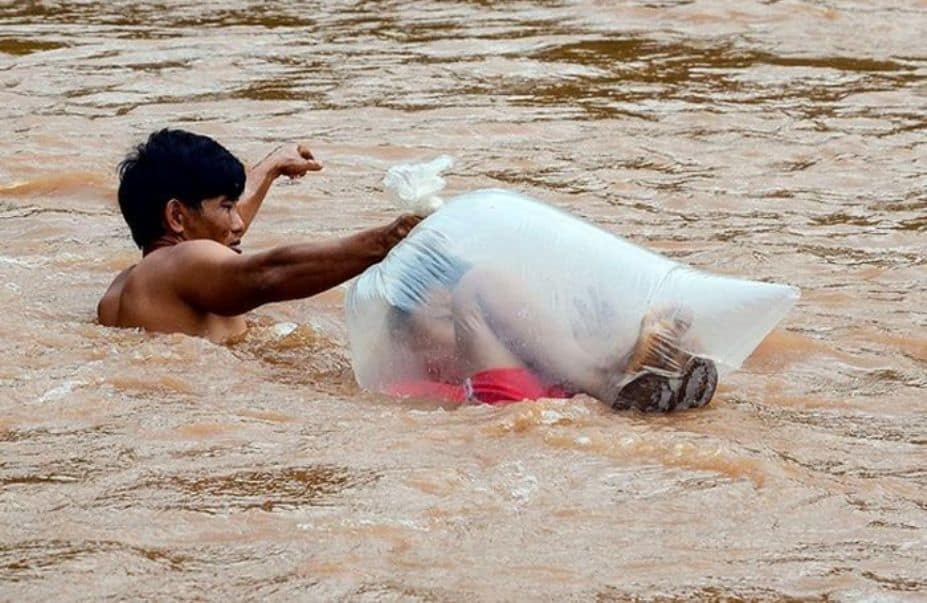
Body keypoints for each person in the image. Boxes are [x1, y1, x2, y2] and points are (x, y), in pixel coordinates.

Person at [98, 129, 420, 342]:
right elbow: (268, 274)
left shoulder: (131, 283)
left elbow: (219, 237)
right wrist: (390, 238)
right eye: (226, 207)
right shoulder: (178, 263)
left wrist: (274, 165)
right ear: (177, 216)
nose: (238, 223)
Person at [381, 256, 718, 412]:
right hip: (500, 406)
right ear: (411, 344)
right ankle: (609, 381)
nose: (461, 331)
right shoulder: (408, 390)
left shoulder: (542, 353)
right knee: (477, 284)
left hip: (563, 404)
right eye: (447, 318)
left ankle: (643, 372)